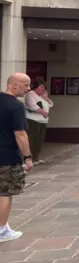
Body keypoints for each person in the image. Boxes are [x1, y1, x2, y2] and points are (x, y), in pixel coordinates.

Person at [0, 73, 33, 242]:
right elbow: (20, 134)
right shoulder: (16, 106)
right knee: (5, 193)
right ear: (14, 85)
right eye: (25, 85)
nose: (28, 89)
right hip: (7, 156)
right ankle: (2, 230)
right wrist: (28, 156)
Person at [25, 78, 54, 165]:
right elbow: (32, 106)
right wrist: (44, 113)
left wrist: (46, 98)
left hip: (43, 121)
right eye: (41, 87)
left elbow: (50, 104)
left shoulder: (41, 96)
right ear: (36, 87)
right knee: (32, 139)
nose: (42, 89)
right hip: (33, 120)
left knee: (39, 140)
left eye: (44, 87)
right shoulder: (31, 94)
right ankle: (30, 159)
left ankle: (36, 158)